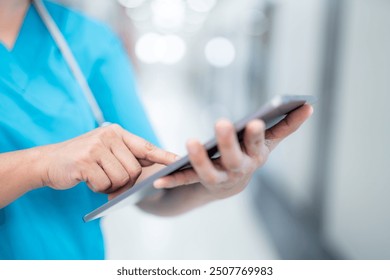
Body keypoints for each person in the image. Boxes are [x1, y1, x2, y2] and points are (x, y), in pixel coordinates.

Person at [0, 0, 313, 260]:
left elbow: (152, 188)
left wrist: (212, 183)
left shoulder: (88, 40)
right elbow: (45, 162)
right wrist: (40, 165)